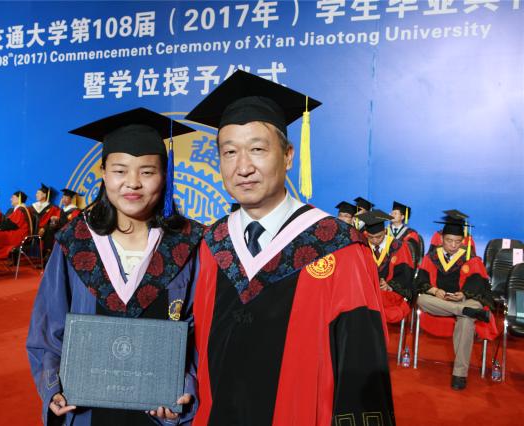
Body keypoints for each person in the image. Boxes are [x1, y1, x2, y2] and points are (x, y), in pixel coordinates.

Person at [185, 70, 394, 425]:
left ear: (288, 156)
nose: (243, 167)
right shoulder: (212, 242)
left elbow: (362, 368)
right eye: (230, 152)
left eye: (257, 149)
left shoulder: (338, 246)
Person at [26, 107, 203, 426]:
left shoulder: (188, 243)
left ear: (165, 175)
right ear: (103, 172)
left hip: (159, 414)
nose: (132, 183)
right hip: (87, 411)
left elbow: (200, 332)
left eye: (147, 172)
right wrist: (53, 388)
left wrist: (184, 388)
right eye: (120, 170)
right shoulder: (75, 241)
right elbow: (48, 327)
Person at [415, 216, 493, 390]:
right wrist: (434, 291)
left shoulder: (471, 258)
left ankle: (460, 374)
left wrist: (463, 294)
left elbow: (479, 284)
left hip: (464, 300)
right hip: (438, 301)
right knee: (421, 299)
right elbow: (420, 281)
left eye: (457, 241)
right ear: (441, 238)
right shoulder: (431, 257)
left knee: (466, 319)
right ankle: (463, 310)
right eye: (449, 240)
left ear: (463, 241)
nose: (453, 245)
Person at [360, 210, 414, 323]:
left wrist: (389, 286)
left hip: (389, 294)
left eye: (378, 237)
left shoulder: (398, 247)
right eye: (371, 237)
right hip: (366, 291)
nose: (375, 241)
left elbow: (405, 274)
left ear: (385, 231)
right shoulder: (362, 246)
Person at [31, 183, 61, 260]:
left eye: (38, 193)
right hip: (32, 231)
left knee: (49, 231)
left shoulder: (53, 208)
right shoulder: (31, 207)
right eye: (36, 193)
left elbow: (53, 222)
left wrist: (44, 228)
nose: (36, 195)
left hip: (45, 232)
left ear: (44, 195)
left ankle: (46, 254)